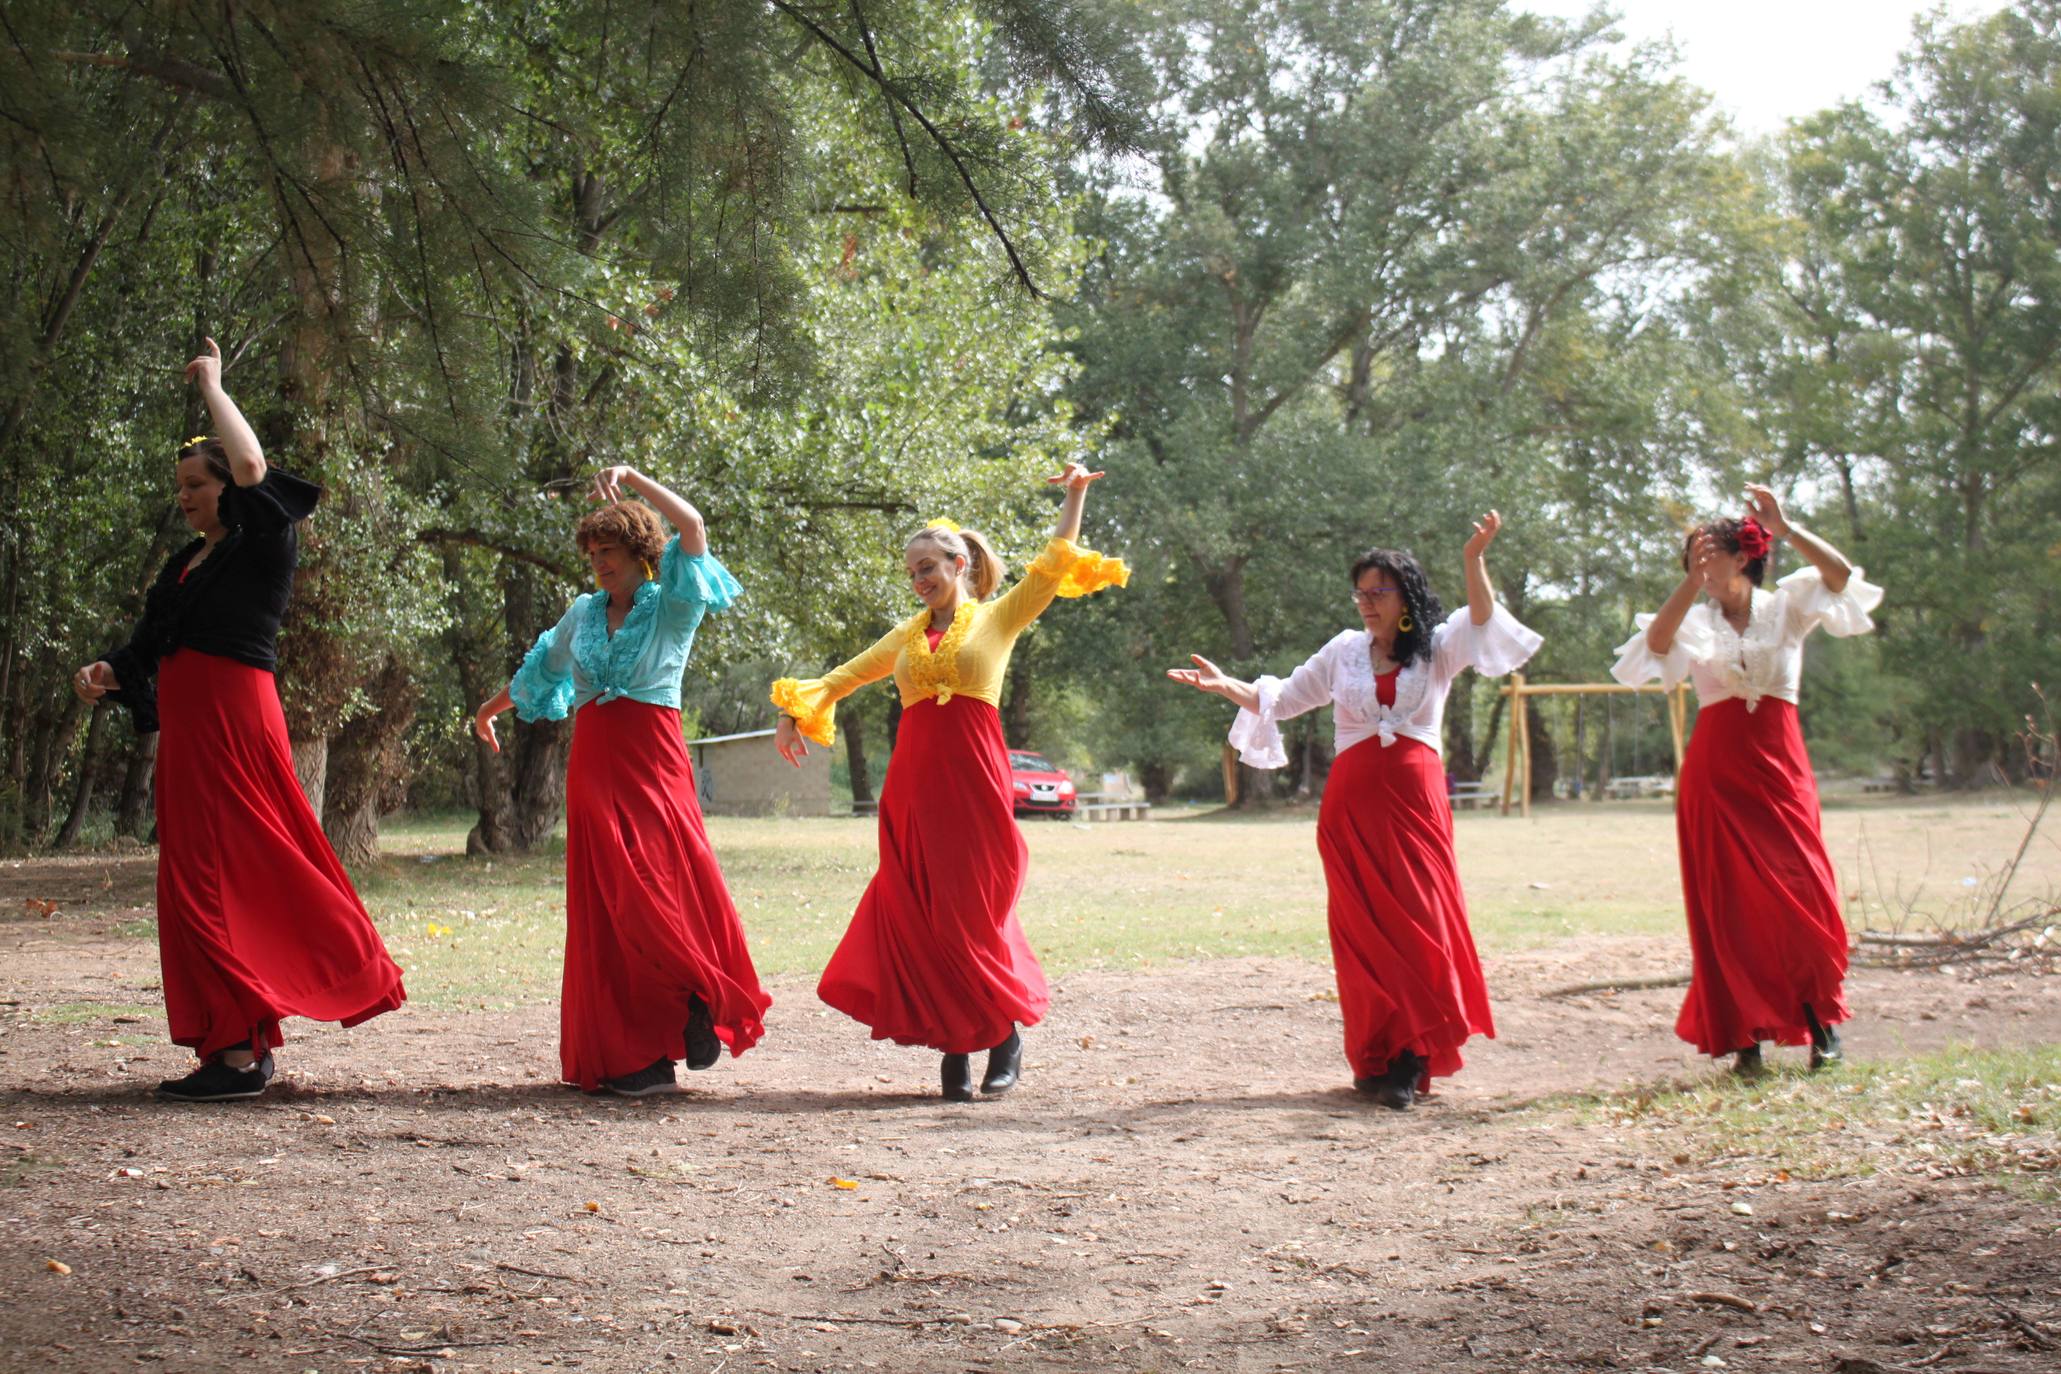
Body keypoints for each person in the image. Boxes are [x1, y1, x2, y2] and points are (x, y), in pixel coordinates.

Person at [75, 339, 405, 1102]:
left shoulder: (264, 541)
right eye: (181, 486)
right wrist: (107, 674)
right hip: (190, 731)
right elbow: (149, 647)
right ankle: (230, 1045)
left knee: (239, 872)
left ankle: (249, 1048)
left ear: (226, 485)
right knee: (192, 881)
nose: (187, 496)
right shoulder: (185, 564)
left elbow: (253, 470)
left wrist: (214, 390)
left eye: (198, 483)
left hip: (235, 720)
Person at [769, 463, 1127, 1102]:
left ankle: (1003, 1033)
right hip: (913, 788)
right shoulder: (906, 638)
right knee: (926, 915)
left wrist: (1074, 495)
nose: (919, 580)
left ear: (959, 565)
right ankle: (956, 1048)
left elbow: (1050, 566)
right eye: (912, 572)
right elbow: (841, 678)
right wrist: (794, 714)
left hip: (975, 783)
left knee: (973, 912)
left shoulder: (997, 618)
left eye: (928, 567)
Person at [1166, 514, 1540, 1109]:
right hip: (1352, 805)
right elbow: (1284, 698)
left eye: (1378, 592)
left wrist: (1474, 558)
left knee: (1419, 921)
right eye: (1360, 593)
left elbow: (1485, 621)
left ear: (1405, 596)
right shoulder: (1344, 652)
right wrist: (1224, 686)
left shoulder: (1438, 648)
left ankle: (1414, 1053)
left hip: (1416, 802)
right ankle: (1378, 1053)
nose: (1366, 603)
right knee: (1363, 931)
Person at [473, 466, 768, 1097]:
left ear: (640, 553)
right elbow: (539, 672)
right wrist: (488, 711)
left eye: (609, 552)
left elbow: (691, 526)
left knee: (656, 888)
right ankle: (638, 1054)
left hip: (654, 762)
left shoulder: (674, 606)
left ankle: (695, 994)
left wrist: (634, 479)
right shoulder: (581, 614)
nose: (599, 564)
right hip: (595, 766)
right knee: (609, 903)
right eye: (592, 554)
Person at [1612, 484, 1881, 1075]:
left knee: (1803, 891)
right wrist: (1690, 583)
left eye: (1711, 557)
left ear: (1743, 557)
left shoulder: (1786, 606)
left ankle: (1821, 1022)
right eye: (1691, 560)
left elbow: (1839, 577)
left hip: (1780, 768)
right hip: (1716, 774)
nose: (1701, 568)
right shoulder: (1693, 619)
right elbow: (1656, 645)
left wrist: (1786, 528)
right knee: (1728, 904)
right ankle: (1744, 1039)